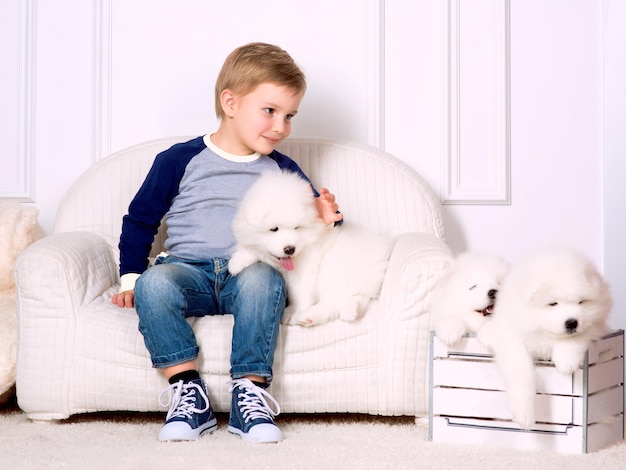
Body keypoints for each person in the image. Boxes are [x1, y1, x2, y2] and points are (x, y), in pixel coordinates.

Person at [111, 42, 342, 443]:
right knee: (155, 282)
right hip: (188, 270)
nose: (280, 126)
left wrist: (327, 219)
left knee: (263, 282)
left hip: (250, 270)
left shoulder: (282, 169)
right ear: (231, 103)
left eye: (289, 116)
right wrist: (131, 276)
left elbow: (307, 230)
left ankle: (249, 394)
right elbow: (140, 219)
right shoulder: (179, 160)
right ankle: (188, 392)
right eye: (269, 111)